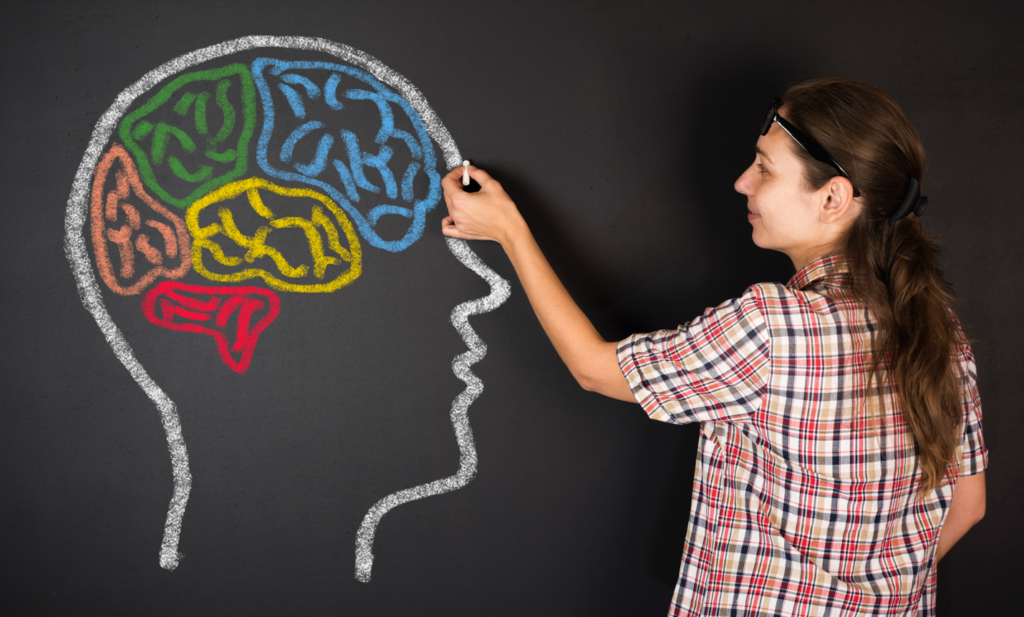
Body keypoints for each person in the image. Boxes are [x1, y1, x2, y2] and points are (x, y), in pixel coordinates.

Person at [440, 77, 986, 616]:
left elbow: (593, 369)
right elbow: (967, 506)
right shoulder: (943, 332)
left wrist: (509, 230)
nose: (741, 182)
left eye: (765, 168)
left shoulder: (775, 326)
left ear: (833, 198)